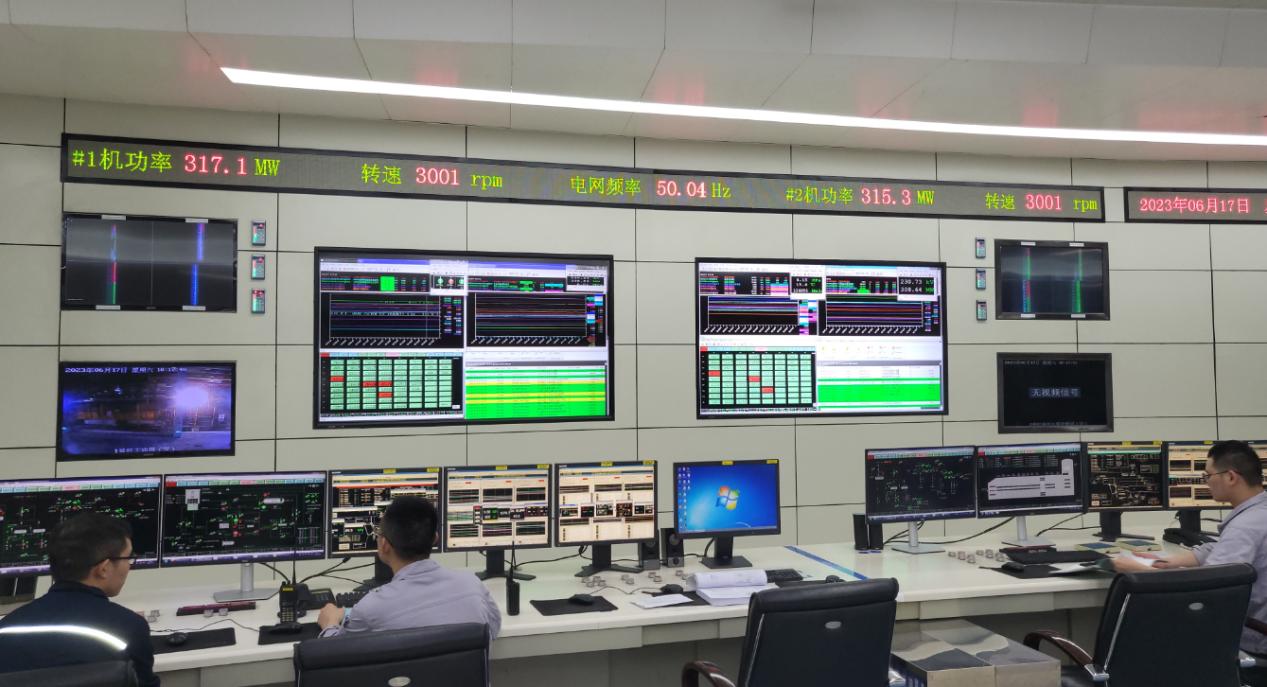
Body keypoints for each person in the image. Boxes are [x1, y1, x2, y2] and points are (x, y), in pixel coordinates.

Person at [1113, 439, 1267, 655]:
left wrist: (1140, 572)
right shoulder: (1258, 513)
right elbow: (1221, 549)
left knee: (1140, 629)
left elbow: (1209, 590)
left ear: (1231, 477)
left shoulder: (1243, 528)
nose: (1206, 482)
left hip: (1249, 642)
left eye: (1208, 476)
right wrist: (1167, 562)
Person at [0, 513, 159, 686]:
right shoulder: (129, 628)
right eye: (128, 558)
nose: (129, 565)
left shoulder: (5, 629)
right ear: (104, 568)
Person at [317, 495, 501, 640]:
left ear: (385, 545)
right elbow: (493, 627)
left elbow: (333, 656)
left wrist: (330, 622)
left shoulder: (370, 609)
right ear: (435, 540)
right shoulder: (472, 586)